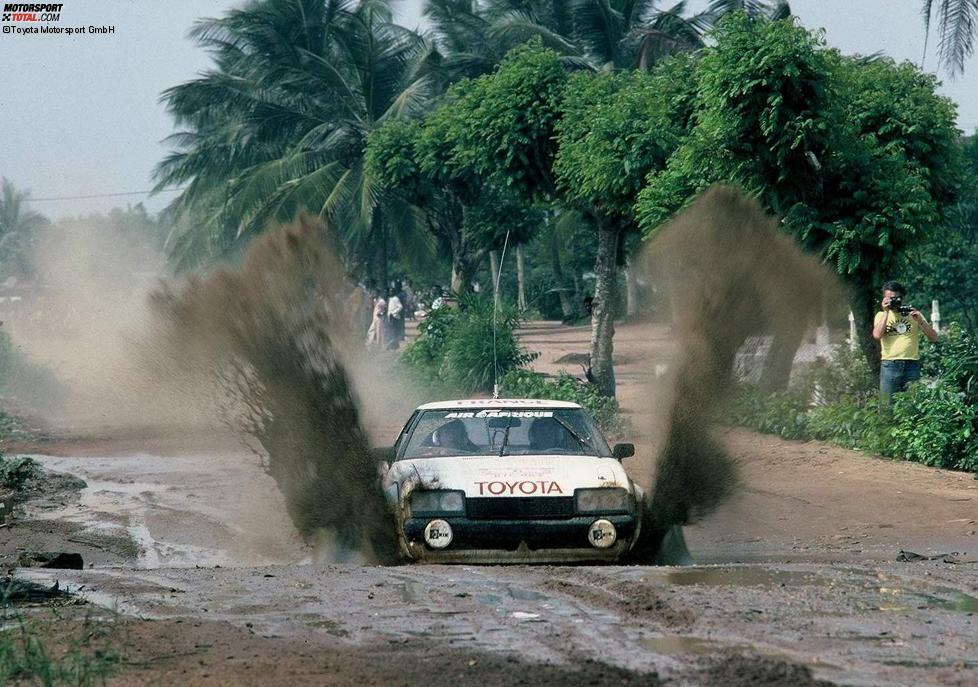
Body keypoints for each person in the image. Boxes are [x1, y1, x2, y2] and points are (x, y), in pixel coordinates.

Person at [872, 280, 938, 401]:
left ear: (902, 298)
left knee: (912, 405)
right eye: (889, 299)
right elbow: (877, 335)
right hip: (890, 364)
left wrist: (920, 321)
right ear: (884, 299)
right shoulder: (881, 316)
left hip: (911, 364)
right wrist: (886, 312)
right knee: (887, 406)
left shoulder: (913, 314)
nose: (893, 302)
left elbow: (934, 337)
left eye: (897, 299)